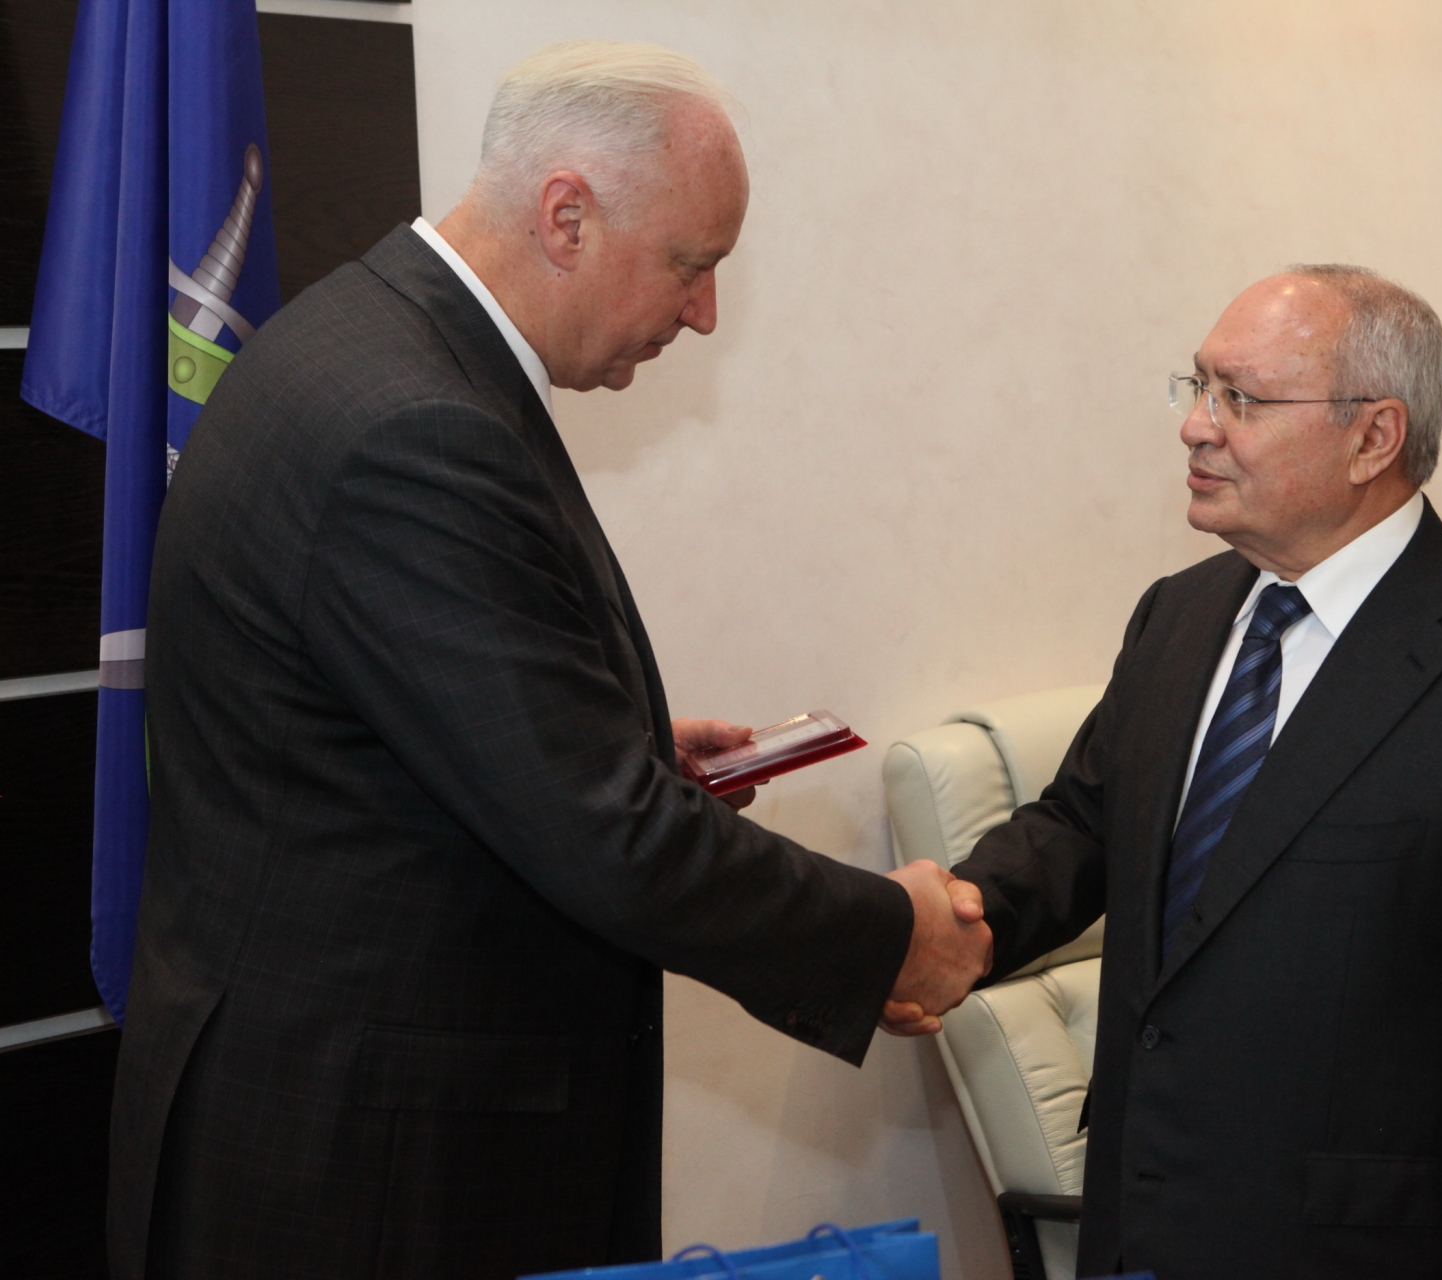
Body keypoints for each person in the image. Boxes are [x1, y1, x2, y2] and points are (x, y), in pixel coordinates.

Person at [112, 43, 988, 1280]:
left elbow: (389, 723)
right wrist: (886, 930)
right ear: (567, 215)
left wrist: (612, 741)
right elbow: (611, 841)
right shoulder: (416, 425)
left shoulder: (374, 339)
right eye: (691, 263)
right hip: (370, 1177)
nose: (705, 312)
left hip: (345, 1114)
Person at [916, 267, 1442, 1277]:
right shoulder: (1177, 615)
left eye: (1243, 398)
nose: (1196, 426)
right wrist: (944, 920)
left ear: (1373, 438)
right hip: (1140, 1217)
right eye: (1199, 387)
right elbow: (1083, 824)